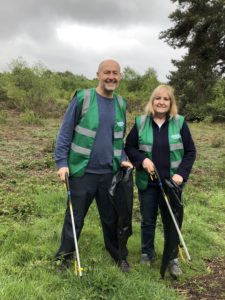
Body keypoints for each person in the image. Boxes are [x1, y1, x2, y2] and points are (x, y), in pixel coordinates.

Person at [54, 59, 133, 272]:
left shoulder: (121, 104)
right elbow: (65, 132)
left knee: (111, 219)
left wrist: (123, 155)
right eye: (107, 72)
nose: (111, 77)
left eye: (115, 73)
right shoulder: (83, 98)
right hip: (82, 172)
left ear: (120, 77)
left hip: (110, 173)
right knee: (74, 218)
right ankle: (64, 258)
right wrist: (62, 162)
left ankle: (118, 255)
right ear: (98, 74)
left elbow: (119, 137)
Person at [125, 84, 196, 278]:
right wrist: (142, 160)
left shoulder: (179, 123)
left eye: (166, 99)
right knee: (147, 220)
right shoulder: (141, 122)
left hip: (172, 184)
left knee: (171, 221)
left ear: (170, 103)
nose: (161, 102)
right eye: (158, 98)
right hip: (148, 183)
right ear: (152, 101)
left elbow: (190, 152)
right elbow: (129, 147)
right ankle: (147, 253)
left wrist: (181, 173)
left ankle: (172, 257)